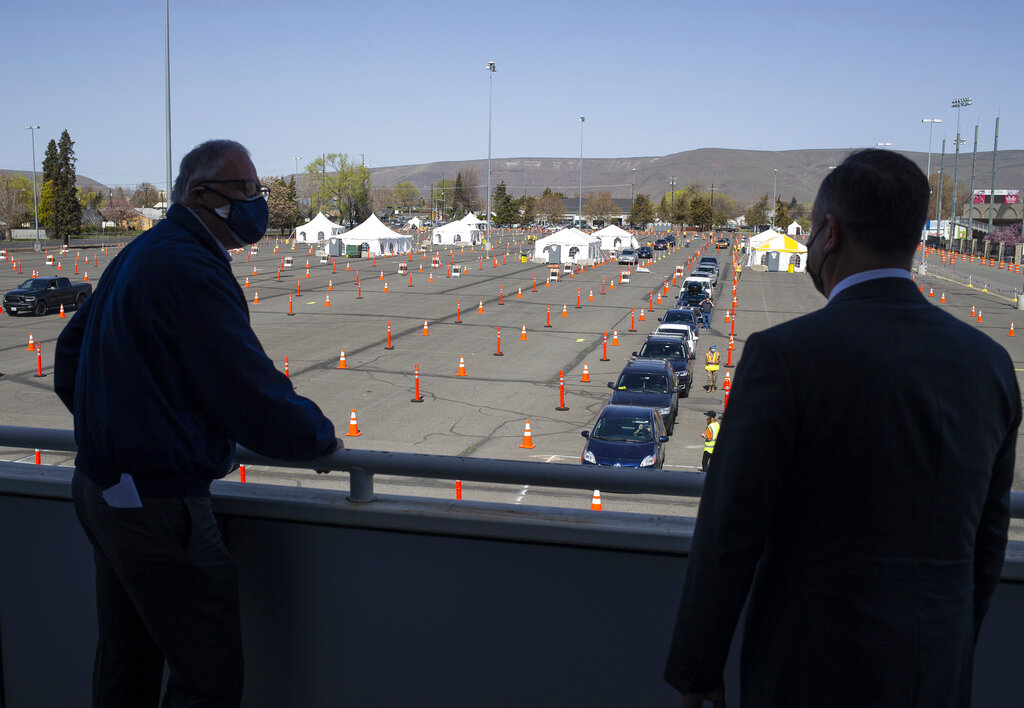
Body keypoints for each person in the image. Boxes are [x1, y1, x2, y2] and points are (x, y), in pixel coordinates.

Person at [664, 149, 1020, 707]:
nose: (806, 246)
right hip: (937, 672)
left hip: (810, 671)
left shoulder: (783, 356)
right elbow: (986, 545)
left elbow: (729, 532)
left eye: (809, 232)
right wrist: (948, 647)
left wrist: (697, 668)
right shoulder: (990, 365)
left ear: (830, 234)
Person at [54, 140, 341, 707]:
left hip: (102, 489)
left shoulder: (145, 251)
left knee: (126, 662)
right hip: (160, 504)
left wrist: (116, 427)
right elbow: (247, 390)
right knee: (207, 675)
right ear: (202, 194)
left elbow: (70, 356)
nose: (259, 202)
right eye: (249, 190)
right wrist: (317, 436)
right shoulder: (191, 267)